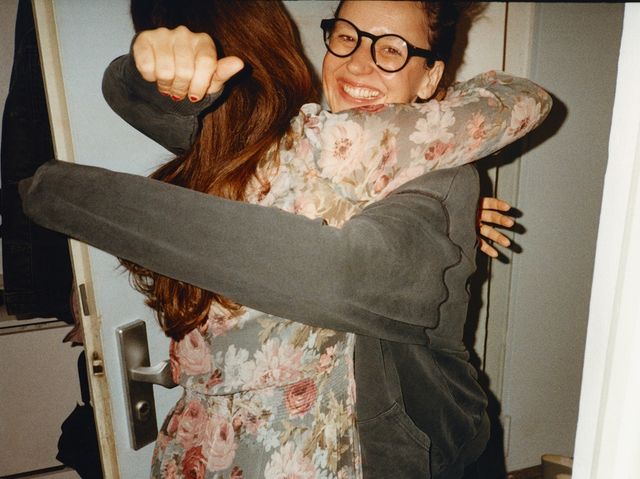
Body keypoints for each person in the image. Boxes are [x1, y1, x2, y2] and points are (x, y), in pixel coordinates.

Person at [20, 1, 551, 477]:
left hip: (394, 448)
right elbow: (133, 99)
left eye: (391, 49)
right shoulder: (292, 142)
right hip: (210, 439)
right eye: (347, 37)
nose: (359, 63)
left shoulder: (444, 178)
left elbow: (340, 277)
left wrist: (61, 193)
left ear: (431, 76)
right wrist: (157, 69)